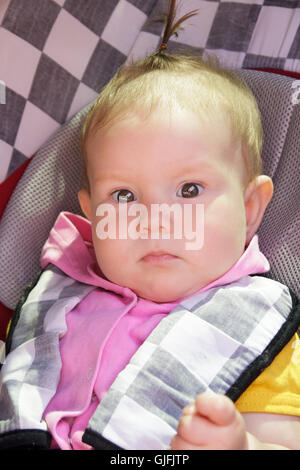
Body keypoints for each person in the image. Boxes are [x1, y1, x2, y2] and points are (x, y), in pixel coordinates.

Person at [0, 1, 299, 451]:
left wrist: (244, 446)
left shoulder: (261, 334)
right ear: (92, 215)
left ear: (251, 207)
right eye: (124, 197)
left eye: (190, 190)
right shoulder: (55, 302)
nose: (154, 221)